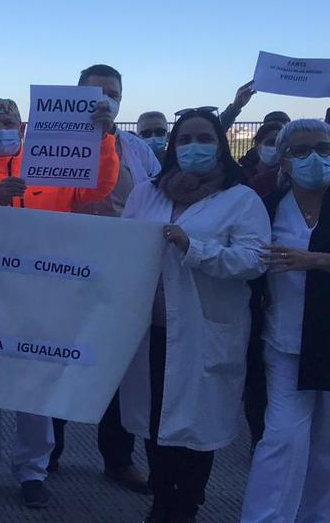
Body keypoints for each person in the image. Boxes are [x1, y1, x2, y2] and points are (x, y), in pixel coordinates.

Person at [0, 95, 119, 509]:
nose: (1, 131)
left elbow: (100, 186)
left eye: (9, 122)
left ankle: (33, 470)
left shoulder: (53, 166)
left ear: (23, 128)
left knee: (36, 388)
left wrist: (107, 139)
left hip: (45, 294)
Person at [118, 108, 269, 523]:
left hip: (206, 333)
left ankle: (186, 506)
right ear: (172, 147)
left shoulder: (241, 199)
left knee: (196, 430)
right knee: (154, 423)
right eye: (184, 140)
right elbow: (122, 247)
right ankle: (162, 500)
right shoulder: (148, 193)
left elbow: (254, 261)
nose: (193, 147)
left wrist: (194, 248)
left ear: (220, 146)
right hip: (151, 331)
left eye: (204, 139)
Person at [49, 65, 160, 492]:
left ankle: (118, 458)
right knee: (56, 360)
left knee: (117, 366)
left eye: (112, 92)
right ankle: (47, 454)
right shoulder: (49, 144)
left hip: (119, 272)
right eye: (95, 92)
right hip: (62, 268)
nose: (104, 99)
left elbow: (154, 198)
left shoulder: (135, 149)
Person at [239, 119, 330, 522]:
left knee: (326, 449)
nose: (314, 157)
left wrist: (317, 262)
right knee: (282, 439)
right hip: (285, 345)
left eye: (324, 149)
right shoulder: (268, 206)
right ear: (285, 161)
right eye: (301, 150)